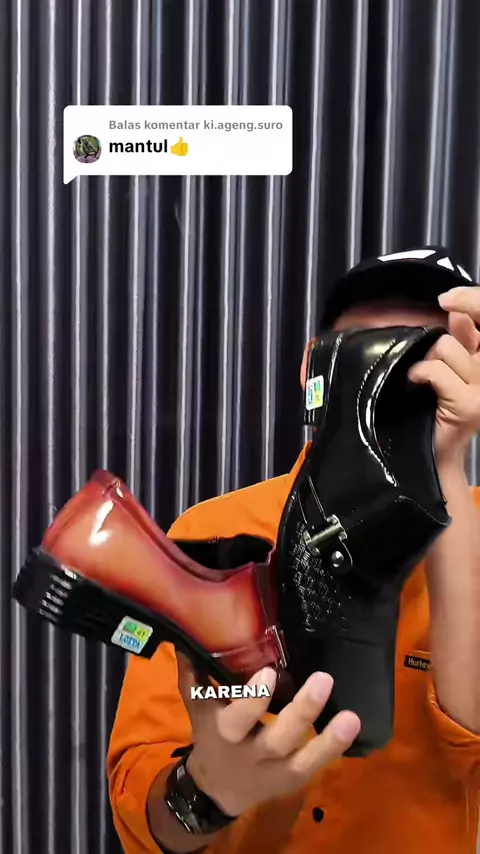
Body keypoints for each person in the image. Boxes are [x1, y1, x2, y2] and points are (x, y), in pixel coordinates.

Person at [107, 252, 480, 854]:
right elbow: (141, 806)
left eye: (426, 360)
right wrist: (203, 793)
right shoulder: (215, 531)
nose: (392, 378)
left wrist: (445, 465)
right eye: (365, 352)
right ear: (313, 370)